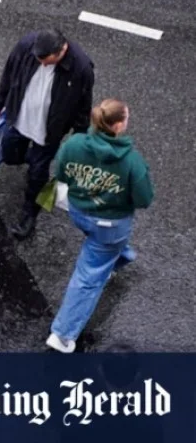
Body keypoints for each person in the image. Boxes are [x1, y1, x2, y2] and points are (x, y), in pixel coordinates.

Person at [46, 99, 153, 353]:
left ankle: (118, 258)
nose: (127, 122)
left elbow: (61, 174)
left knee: (105, 248)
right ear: (117, 126)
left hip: (79, 212)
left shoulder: (73, 144)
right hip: (110, 225)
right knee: (87, 278)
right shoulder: (131, 162)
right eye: (126, 118)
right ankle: (62, 334)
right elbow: (144, 199)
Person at [0, 29, 95, 239]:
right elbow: (9, 73)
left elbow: (84, 105)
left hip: (49, 131)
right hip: (19, 117)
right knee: (9, 154)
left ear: (61, 50)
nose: (40, 63)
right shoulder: (27, 46)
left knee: (38, 172)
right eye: (37, 58)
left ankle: (30, 212)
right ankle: (35, 165)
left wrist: (79, 137)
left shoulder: (81, 67)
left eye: (45, 60)